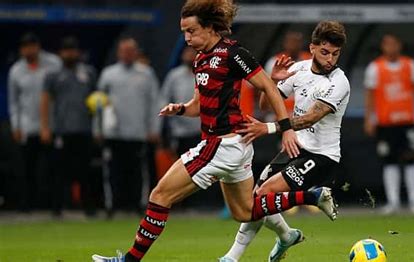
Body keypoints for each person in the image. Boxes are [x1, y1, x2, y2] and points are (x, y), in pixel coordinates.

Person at [92, 1, 334, 261]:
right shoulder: (201, 59)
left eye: (192, 31)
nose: (187, 38)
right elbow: (197, 105)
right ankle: (312, 196)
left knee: (160, 195)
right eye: (184, 32)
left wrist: (285, 129)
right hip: (235, 146)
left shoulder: (233, 53)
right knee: (245, 211)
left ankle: (128, 260)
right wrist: (182, 109)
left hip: (222, 144)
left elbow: (269, 87)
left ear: (209, 28)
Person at [219, 20, 350, 262]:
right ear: (312, 48)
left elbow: (312, 117)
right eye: (325, 52)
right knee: (255, 201)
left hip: (321, 156)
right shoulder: (298, 69)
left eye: (335, 53)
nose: (330, 59)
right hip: (295, 147)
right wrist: (272, 82)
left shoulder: (339, 82)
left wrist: (267, 128)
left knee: (265, 194)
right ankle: (287, 235)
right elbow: (265, 103)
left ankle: (231, 258)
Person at [363, 33, 414, 215]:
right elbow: (370, 95)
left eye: (394, 44)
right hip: (386, 123)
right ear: (383, 46)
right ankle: (393, 202)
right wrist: (369, 118)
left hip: (407, 121)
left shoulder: (410, 65)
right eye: (387, 44)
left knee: (412, 159)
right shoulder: (375, 68)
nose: (391, 48)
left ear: (399, 46)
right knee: (389, 161)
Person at [97, 37, 161, 216]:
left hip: (138, 132)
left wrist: (154, 128)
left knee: (139, 173)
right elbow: (98, 103)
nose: (127, 54)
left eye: (130, 50)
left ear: (136, 52)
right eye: (124, 50)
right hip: (113, 133)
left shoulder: (146, 73)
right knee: (113, 171)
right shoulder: (108, 74)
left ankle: (140, 205)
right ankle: (112, 206)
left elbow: (155, 102)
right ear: (119, 53)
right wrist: (98, 129)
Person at [40, 36, 97, 217]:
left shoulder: (88, 73)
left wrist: (97, 128)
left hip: (84, 130)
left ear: (77, 53)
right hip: (62, 131)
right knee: (59, 172)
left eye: (72, 50)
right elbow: (45, 101)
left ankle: (89, 208)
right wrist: (45, 127)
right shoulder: (53, 76)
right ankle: (56, 209)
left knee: (86, 172)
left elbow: (97, 100)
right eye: (66, 50)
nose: (69, 54)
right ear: (60, 53)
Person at [8, 33, 61, 211]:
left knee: (52, 169)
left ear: (38, 46)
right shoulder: (16, 70)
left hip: (51, 126)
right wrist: (16, 125)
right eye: (25, 47)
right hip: (27, 126)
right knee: (26, 169)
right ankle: (26, 205)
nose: (28, 50)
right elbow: (14, 101)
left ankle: (54, 206)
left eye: (31, 46)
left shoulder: (54, 64)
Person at [161, 45, 201, 156]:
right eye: (187, 52)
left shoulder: (205, 74)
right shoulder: (174, 76)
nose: (189, 54)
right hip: (180, 132)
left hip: (202, 131)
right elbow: (164, 100)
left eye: (192, 52)